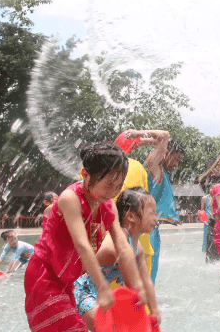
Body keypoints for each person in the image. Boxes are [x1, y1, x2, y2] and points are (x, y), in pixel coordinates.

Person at [23, 142, 146, 331]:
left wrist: (137, 286)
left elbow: (123, 245)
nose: (113, 191)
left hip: (66, 281)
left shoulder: (107, 205)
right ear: (86, 175)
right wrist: (103, 287)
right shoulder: (70, 199)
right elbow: (82, 245)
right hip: (43, 276)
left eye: (118, 186)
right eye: (108, 184)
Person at [74, 187, 161, 331]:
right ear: (131, 216)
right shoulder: (116, 246)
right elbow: (133, 285)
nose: (155, 219)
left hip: (102, 294)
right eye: (151, 213)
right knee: (113, 328)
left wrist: (154, 310)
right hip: (82, 292)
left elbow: (146, 281)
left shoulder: (137, 247)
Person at [115, 129, 170, 278]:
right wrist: (138, 134)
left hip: (115, 239)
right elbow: (164, 136)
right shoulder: (139, 167)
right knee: (142, 292)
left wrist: (137, 139)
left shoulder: (100, 169)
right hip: (139, 240)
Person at [145, 137, 185, 284]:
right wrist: (138, 136)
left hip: (151, 229)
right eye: (176, 159)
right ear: (166, 152)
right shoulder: (155, 168)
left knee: (151, 272)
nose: (176, 164)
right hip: (145, 231)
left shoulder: (161, 171)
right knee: (147, 271)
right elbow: (164, 136)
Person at [200, 187, 213, 252]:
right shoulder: (204, 198)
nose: (212, 190)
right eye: (211, 188)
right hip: (207, 220)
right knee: (206, 235)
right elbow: (202, 210)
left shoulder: (217, 198)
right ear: (209, 189)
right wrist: (203, 220)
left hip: (215, 219)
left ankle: (213, 250)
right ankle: (205, 250)